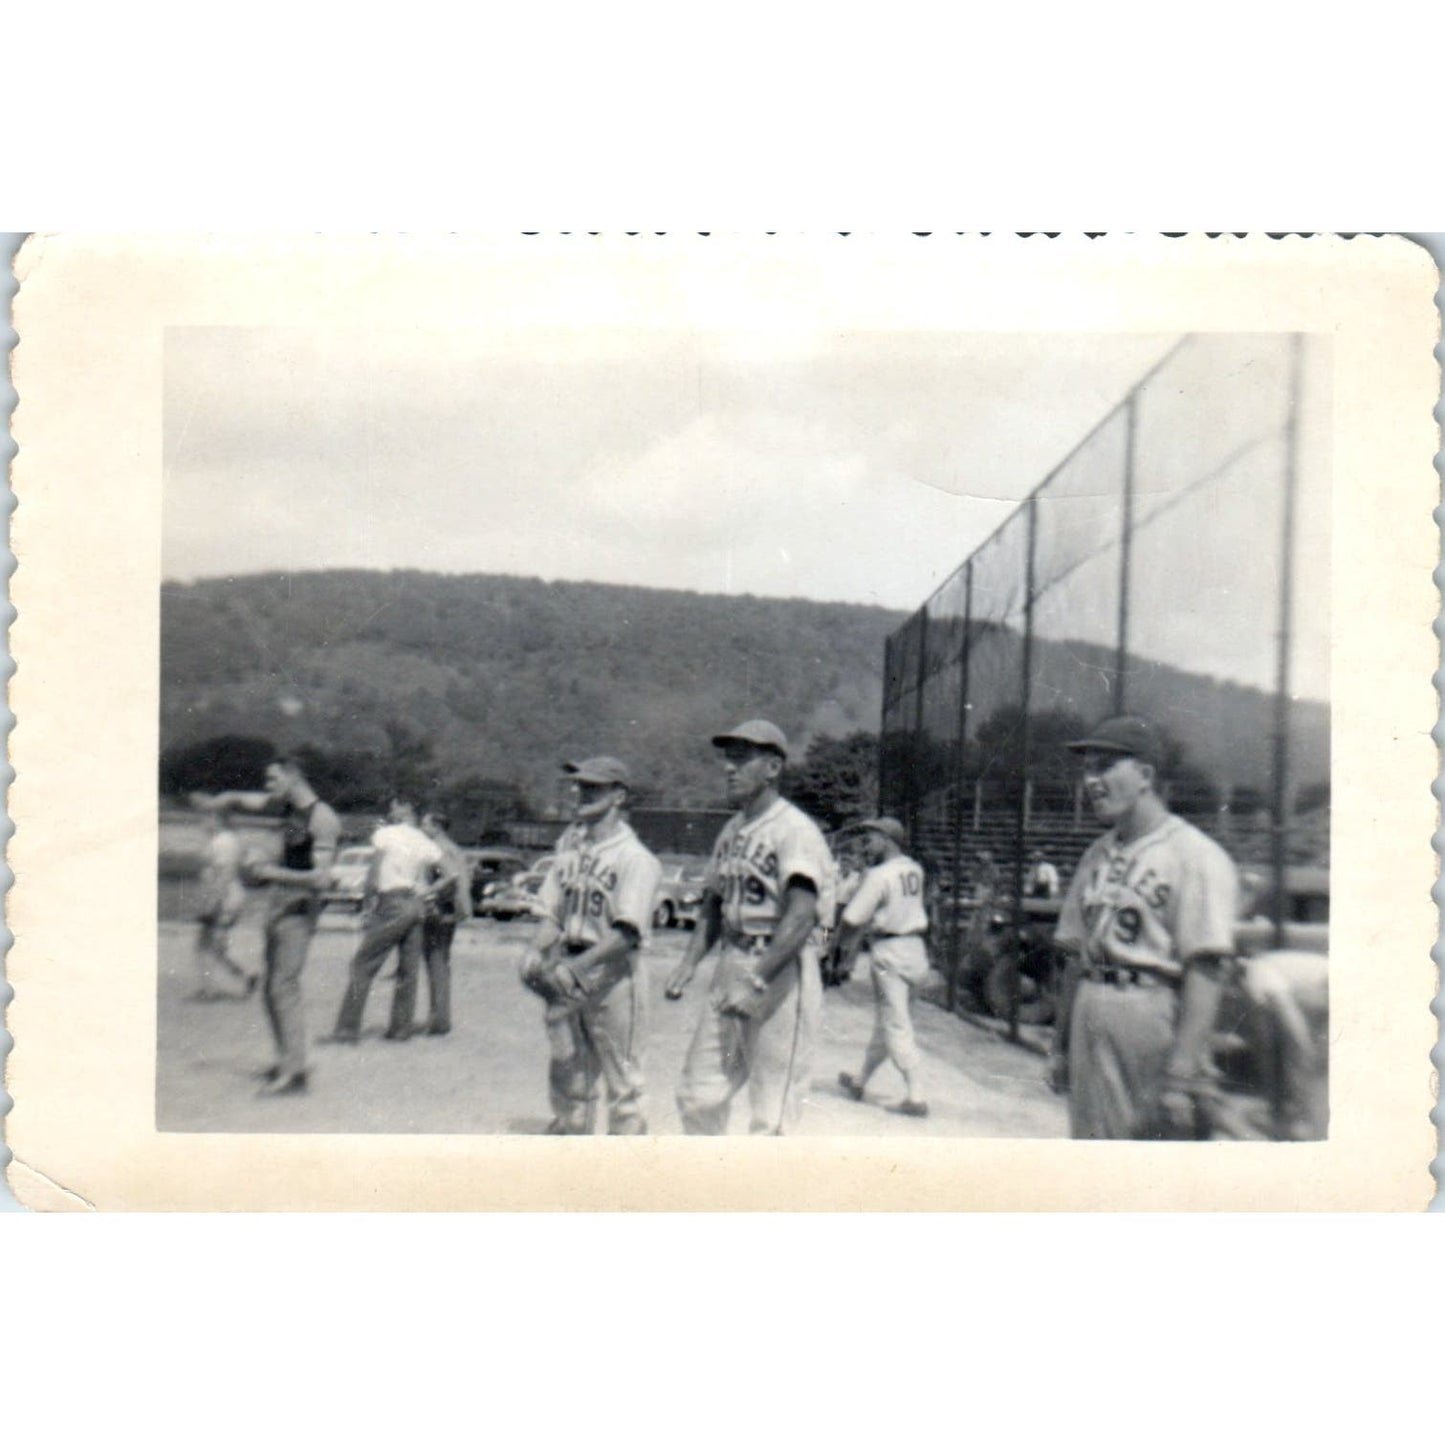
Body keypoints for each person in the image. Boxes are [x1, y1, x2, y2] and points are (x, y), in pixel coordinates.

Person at [1050, 715, 1240, 1140]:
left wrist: (1182, 1070)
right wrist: (1059, 1045)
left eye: (1104, 767)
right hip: (1089, 1006)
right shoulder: (1095, 855)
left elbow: (1206, 968)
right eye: (1087, 768)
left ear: (1145, 776)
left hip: (1151, 1007)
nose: (1090, 781)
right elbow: (1071, 957)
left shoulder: (1194, 855)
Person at [667, 720, 835, 1136]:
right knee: (698, 1093)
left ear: (773, 768)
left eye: (742, 758)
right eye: (728, 757)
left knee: (772, 1115)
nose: (729, 767)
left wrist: (757, 981)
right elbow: (714, 900)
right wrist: (689, 962)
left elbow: (800, 916)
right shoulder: (732, 829)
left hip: (781, 970)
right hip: (733, 960)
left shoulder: (794, 830)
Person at [518, 757, 661, 1135]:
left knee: (623, 1081)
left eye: (593, 787)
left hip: (614, 974)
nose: (580, 792)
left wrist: (576, 969)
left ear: (618, 795)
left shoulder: (635, 858)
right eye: (579, 785)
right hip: (569, 963)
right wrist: (535, 949)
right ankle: (572, 1151)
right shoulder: (569, 848)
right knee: (568, 1071)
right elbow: (552, 912)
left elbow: (627, 934)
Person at [190, 757, 340, 1096]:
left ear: (292, 777)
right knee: (274, 988)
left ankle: (295, 1073)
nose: (267, 786)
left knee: (282, 987)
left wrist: (268, 872)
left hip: (300, 910)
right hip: (280, 906)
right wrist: (226, 797)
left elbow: (321, 879)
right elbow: (253, 802)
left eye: (272, 779)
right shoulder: (291, 811)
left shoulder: (322, 818)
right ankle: (289, 1060)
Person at [325, 797, 445, 1044]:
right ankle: (401, 1029)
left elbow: (375, 870)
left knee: (363, 964)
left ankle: (347, 1030)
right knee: (408, 970)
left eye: (394, 807)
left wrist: (368, 902)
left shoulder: (386, 834)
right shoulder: (424, 841)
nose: (390, 812)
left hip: (391, 902)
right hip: (414, 902)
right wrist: (428, 892)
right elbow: (445, 872)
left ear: (406, 808)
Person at [834, 817, 932, 1118]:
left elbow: (851, 919)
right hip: (916, 949)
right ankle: (860, 1080)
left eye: (873, 837)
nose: (867, 843)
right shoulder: (914, 868)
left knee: (895, 1025)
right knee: (888, 1022)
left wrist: (831, 943)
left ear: (888, 840)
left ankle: (916, 1094)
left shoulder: (879, 874)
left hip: (890, 951)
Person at [191, 806, 257, 1000]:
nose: (202, 823)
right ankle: (245, 976)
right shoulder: (222, 840)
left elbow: (225, 874)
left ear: (217, 819)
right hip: (222, 896)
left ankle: (212, 989)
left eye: (205, 818)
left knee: (209, 945)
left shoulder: (224, 842)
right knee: (210, 945)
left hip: (224, 898)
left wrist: (212, 902)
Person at [417, 807, 470, 1037]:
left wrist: (430, 893)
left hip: (439, 911)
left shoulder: (439, 850)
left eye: (426, 824)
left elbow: (450, 881)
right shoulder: (455, 849)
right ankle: (440, 1017)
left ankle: (439, 1020)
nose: (422, 828)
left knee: (435, 962)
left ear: (436, 827)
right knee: (441, 962)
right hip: (450, 912)